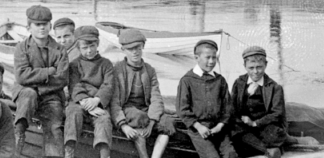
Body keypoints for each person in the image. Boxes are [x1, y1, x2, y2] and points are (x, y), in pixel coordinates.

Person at [12, 5, 69, 157]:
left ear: (50, 25)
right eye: (37, 24)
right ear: (28, 27)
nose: (42, 28)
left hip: (51, 95)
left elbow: (62, 79)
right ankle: (18, 137)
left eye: (45, 24)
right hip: (26, 92)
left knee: (54, 126)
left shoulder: (60, 50)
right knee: (29, 95)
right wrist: (48, 72)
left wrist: (39, 87)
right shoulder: (21, 48)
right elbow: (22, 76)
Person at [110, 29, 175, 158]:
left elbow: (156, 97)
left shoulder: (150, 70)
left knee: (168, 121)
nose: (135, 52)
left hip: (146, 109)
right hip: (128, 109)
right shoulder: (117, 70)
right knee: (138, 117)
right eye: (130, 49)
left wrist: (151, 122)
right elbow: (115, 101)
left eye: (138, 48)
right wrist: (123, 126)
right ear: (123, 50)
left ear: (143, 46)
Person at [176, 40, 236, 158]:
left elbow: (227, 107)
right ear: (196, 57)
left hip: (218, 127)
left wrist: (220, 125)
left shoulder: (220, 80)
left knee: (231, 154)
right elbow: (182, 109)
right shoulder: (187, 80)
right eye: (207, 57)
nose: (212, 61)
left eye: (214, 58)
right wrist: (198, 126)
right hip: (198, 129)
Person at [64, 26, 114, 158]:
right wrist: (86, 103)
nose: (89, 50)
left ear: (97, 44)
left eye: (92, 46)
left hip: (98, 102)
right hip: (79, 101)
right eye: (84, 48)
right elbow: (74, 85)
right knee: (73, 113)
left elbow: (108, 85)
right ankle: (69, 152)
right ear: (78, 48)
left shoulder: (106, 64)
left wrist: (97, 100)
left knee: (103, 119)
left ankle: (104, 155)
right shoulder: (74, 65)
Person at [230, 46, 286, 158]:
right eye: (251, 68)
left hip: (264, 125)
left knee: (274, 135)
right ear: (244, 66)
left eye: (259, 67)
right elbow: (232, 108)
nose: (255, 72)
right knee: (232, 131)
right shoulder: (239, 83)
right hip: (243, 126)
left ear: (266, 64)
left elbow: (277, 113)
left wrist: (255, 123)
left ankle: (258, 146)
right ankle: (267, 150)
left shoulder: (275, 87)